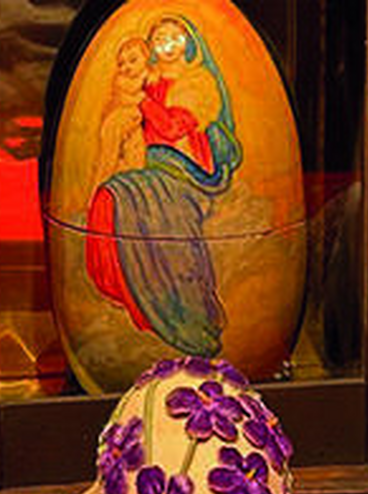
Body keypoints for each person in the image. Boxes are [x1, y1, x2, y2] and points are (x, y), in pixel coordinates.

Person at [85, 15, 242, 356]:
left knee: (127, 196)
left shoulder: (199, 83)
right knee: (110, 195)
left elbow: (171, 129)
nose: (166, 44)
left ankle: (188, 314)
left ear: (190, 42)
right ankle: (140, 297)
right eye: (158, 39)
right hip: (153, 168)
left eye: (174, 37)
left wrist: (141, 99)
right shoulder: (150, 80)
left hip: (187, 173)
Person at [92, 37, 151, 191]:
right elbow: (125, 98)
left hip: (134, 124)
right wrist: (140, 99)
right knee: (109, 157)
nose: (126, 67)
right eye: (121, 64)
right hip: (118, 120)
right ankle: (101, 184)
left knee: (136, 156)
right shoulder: (121, 81)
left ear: (146, 57)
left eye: (133, 60)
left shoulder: (149, 74)